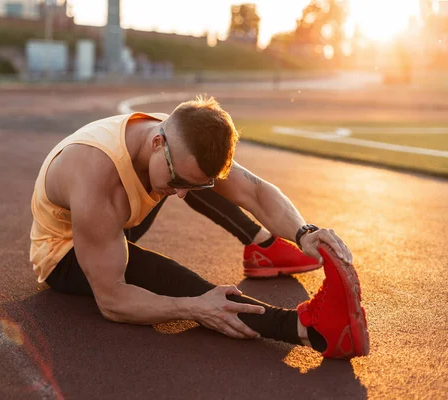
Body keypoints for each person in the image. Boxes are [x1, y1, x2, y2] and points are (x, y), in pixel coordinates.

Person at [30, 96, 369, 359]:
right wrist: (195, 308)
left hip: (119, 216)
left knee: (204, 183)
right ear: (157, 144)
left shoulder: (178, 137)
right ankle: (312, 330)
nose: (178, 195)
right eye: (175, 180)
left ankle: (262, 245)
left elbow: (252, 189)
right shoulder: (94, 177)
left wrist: (303, 232)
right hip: (65, 250)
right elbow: (112, 300)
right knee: (179, 283)